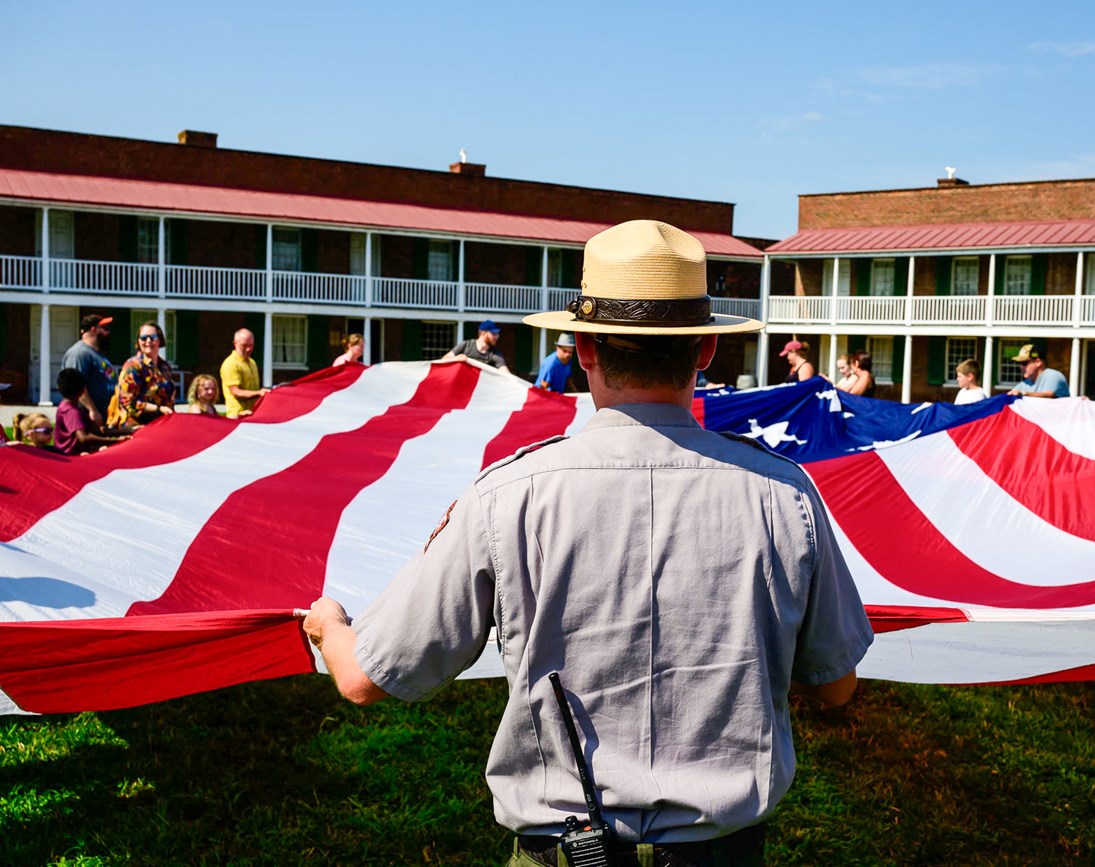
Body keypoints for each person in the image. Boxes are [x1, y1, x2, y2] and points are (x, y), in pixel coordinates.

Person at [302, 220, 873, 865]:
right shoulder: (782, 495)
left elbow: (366, 679)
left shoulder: (511, 494)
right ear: (707, 349)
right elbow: (836, 685)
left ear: (584, 347)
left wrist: (330, 627)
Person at [110, 320, 176, 426]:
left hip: (162, 424)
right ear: (138, 342)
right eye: (144, 338)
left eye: (153, 337)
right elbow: (128, 402)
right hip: (137, 426)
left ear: (160, 340)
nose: (148, 341)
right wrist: (158, 409)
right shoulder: (133, 366)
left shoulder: (165, 367)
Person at [54, 368, 129, 455]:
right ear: (83, 389)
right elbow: (84, 438)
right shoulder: (71, 411)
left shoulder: (65, 406)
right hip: (71, 455)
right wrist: (115, 441)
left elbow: (100, 430)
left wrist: (128, 430)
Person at [61, 313, 116, 423]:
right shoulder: (79, 353)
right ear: (94, 329)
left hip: (105, 416)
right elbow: (76, 387)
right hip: (87, 418)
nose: (108, 332)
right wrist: (93, 411)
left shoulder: (97, 354)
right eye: (105, 328)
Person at [220, 328, 270, 418]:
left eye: (251, 345)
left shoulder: (252, 362)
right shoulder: (231, 364)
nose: (248, 349)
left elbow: (254, 389)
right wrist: (258, 393)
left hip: (252, 413)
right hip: (237, 415)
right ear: (235, 343)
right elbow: (235, 392)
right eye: (244, 345)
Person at [443, 320, 509, 371]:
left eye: (497, 334)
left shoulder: (495, 353)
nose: (497, 337)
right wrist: (457, 358)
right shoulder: (466, 345)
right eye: (494, 334)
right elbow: (444, 359)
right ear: (483, 333)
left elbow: (504, 372)